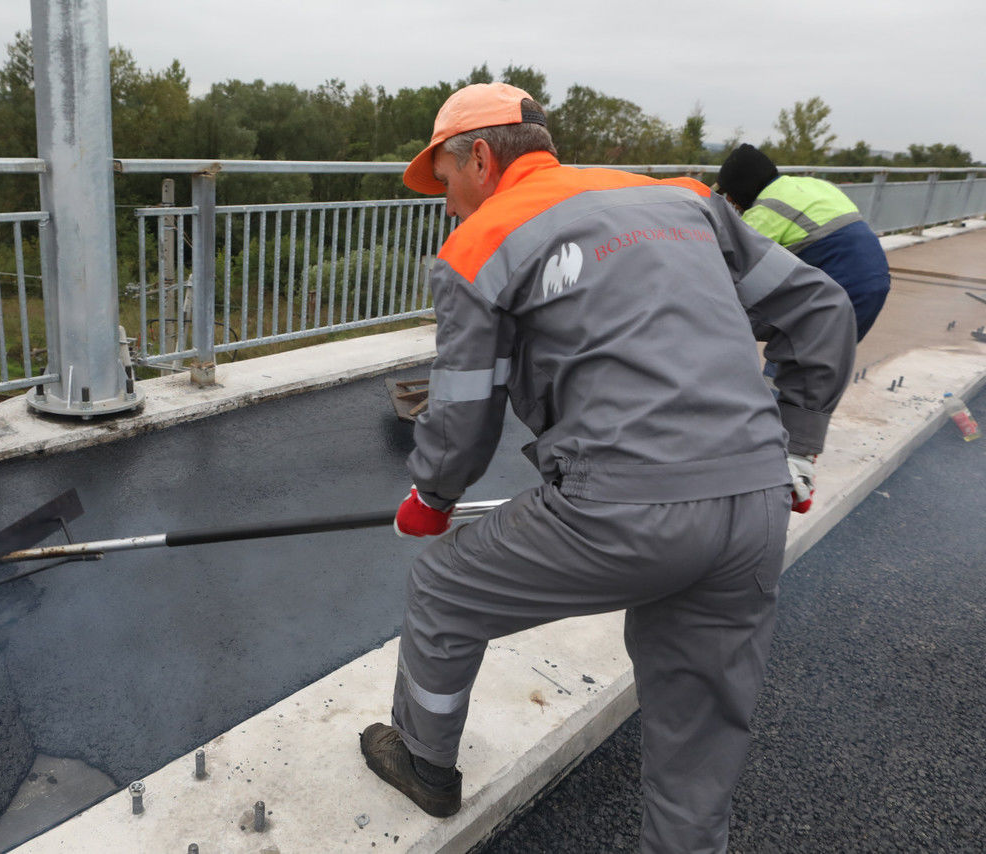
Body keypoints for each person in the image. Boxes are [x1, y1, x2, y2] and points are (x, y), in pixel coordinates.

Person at [359, 82, 856, 853]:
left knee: (442, 585)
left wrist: (431, 494)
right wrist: (797, 447)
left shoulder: (484, 240)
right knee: (697, 736)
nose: (450, 207)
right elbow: (822, 310)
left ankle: (425, 763)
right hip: (754, 499)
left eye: (448, 184)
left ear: (482, 158)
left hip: (627, 509)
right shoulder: (684, 201)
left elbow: (463, 414)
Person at [715, 143, 891, 340]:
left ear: (742, 187)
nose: (733, 205)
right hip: (874, 278)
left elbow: (728, 267)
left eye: (731, 198)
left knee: (796, 358)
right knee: (822, 360)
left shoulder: (765, 210)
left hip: (845, 286)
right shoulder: (809, 184)